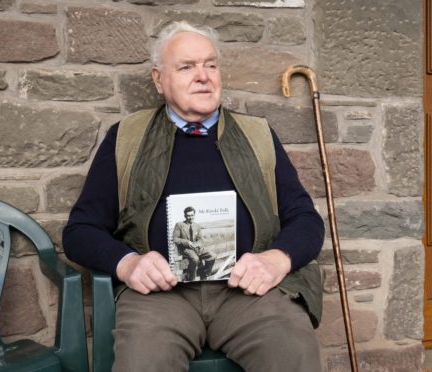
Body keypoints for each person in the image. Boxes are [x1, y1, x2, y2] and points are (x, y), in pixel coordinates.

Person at [63, 20, 325, 372]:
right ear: (159, 80)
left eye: (210, 64)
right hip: (160, 297)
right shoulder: (126, 137)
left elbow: (306, 219)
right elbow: (80, 231)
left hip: (246, 294)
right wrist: (128, 264)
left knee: (293, 349)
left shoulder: (258, 134)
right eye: (186, 67)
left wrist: (277, 260)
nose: (203, 76)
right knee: (142, 363)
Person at [172, 206, 215, 281]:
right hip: (186, 249)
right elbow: (175, 239)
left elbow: (200, 239)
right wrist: (187, 242)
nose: (190, 217)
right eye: (188, 215)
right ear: (185, 216)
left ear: (194, 215)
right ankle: (191, 278)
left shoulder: (197, 226)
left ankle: (205, 274)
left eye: (192, 215)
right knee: (195, 259)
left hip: (197, 248)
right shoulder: (179, 225)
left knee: (213, 256)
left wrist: (197, 244)